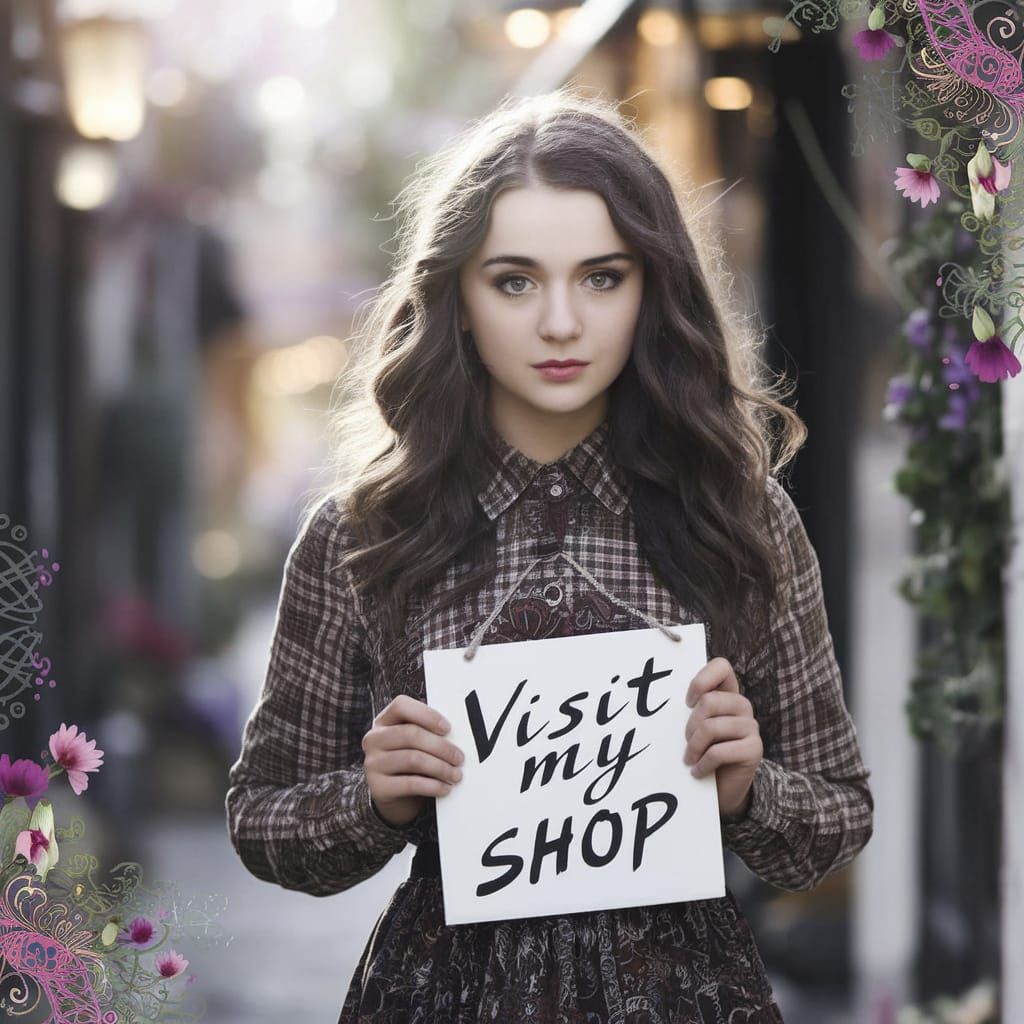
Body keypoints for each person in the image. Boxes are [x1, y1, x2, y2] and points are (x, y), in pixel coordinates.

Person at [225, 87, 874, 1023]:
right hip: (442, 996)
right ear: (456, 297)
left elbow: (838, 819)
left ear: (654, 287)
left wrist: (747, 785)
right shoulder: (361, 535)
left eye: (603, 277)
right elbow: (260, 821)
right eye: (516, 280)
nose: (561, 323)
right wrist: (372, 797)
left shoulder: (741, 518)